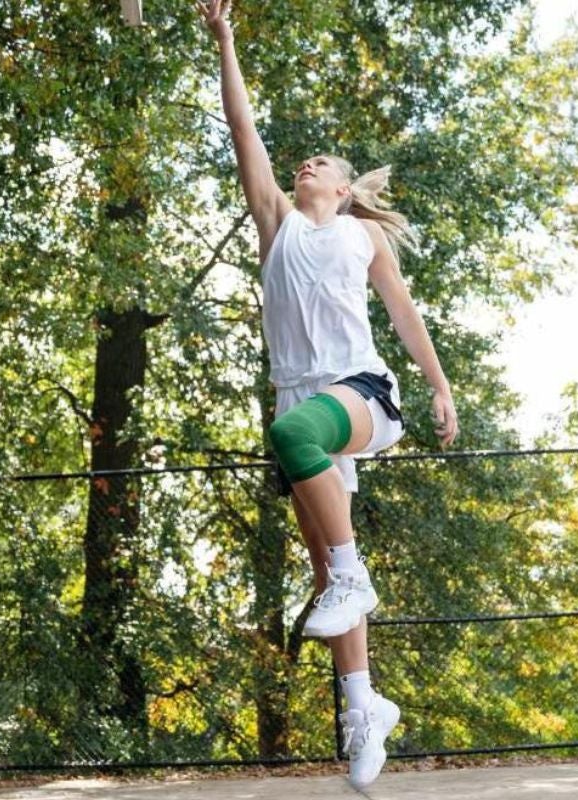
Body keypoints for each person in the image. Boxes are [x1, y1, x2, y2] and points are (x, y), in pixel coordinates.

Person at [198, 0, 460, 790]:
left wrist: (439, 385)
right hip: (298, 406)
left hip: (359, 393)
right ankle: (362, 707)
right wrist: (224, 38)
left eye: (322, 164)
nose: (307, 165)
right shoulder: (276, 222)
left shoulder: (360, 234)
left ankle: (354, 574)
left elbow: (404, 313)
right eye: (302, 161)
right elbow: (244, 132)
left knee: (336, 556)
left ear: (346, 191)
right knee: (326, 577)